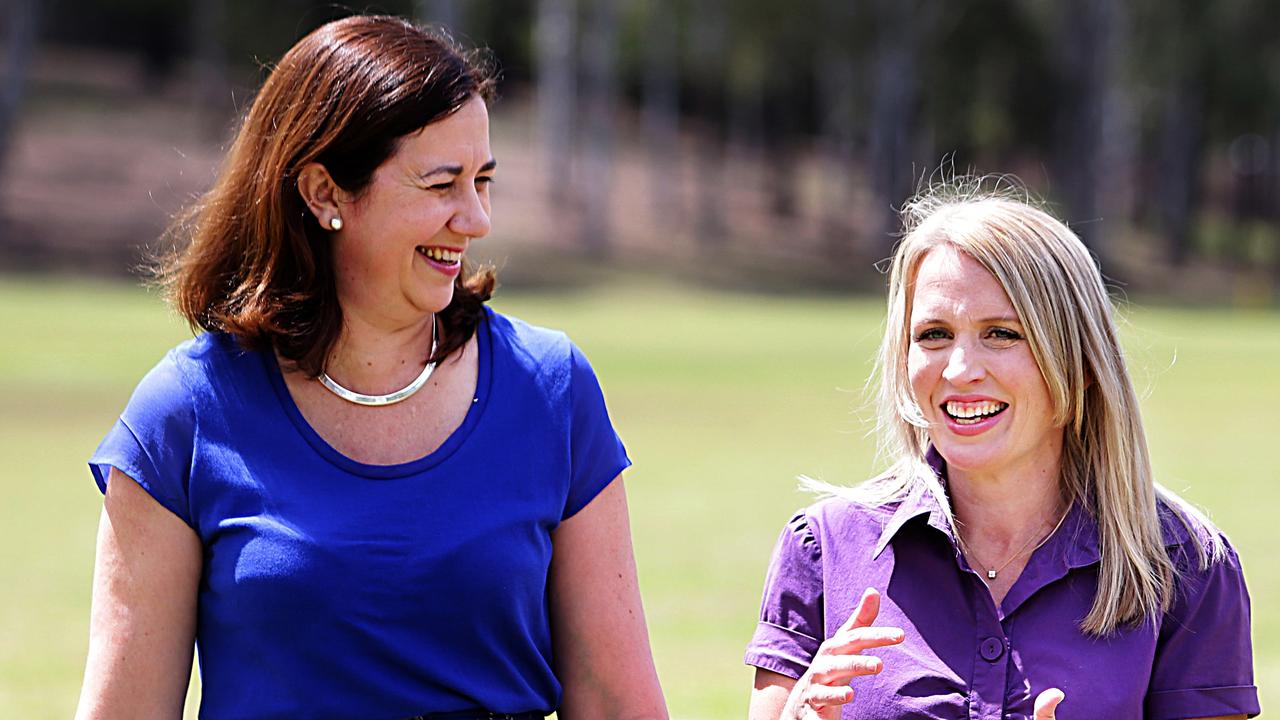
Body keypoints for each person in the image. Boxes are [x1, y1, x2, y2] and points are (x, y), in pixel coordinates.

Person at [76, 15, 667, 720]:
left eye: (483, 180)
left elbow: (614, 702)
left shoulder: (551, 390)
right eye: (442, 184)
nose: (475, 218)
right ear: (325, 193)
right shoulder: (186, 413)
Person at [745, 182, 1259, 720]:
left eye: (1001, 334)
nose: (960, 370)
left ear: (1081, 363)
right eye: (934, 334)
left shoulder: (1186, 565)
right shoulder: (822, 549)